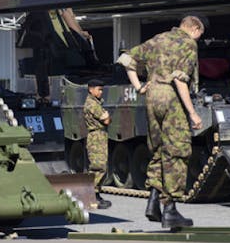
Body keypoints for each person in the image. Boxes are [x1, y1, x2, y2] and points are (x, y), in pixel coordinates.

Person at [118, 15, 206, 229]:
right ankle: (171, 210)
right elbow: (179, 80)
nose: (199, 39)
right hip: (170, 96)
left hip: (151, 96)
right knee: (177, 150)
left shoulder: (158, 39)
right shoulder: (188, 43)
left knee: (158, 150)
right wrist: (193, 113)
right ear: (194, 28)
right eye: (199, 35)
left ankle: (153, 201)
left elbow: (127, 59)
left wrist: (139, 86)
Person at [83, 78, 112, 210]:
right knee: (98, 167)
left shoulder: (96, 102)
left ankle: (96, 194)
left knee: (101, 167)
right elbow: (106, 120)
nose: (101, 92)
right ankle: (91, 196)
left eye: (102, 89)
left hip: (99, 135)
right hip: (96, 137)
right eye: (99, 89)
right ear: (91, 89)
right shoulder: (92, 104)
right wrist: (107, 116)